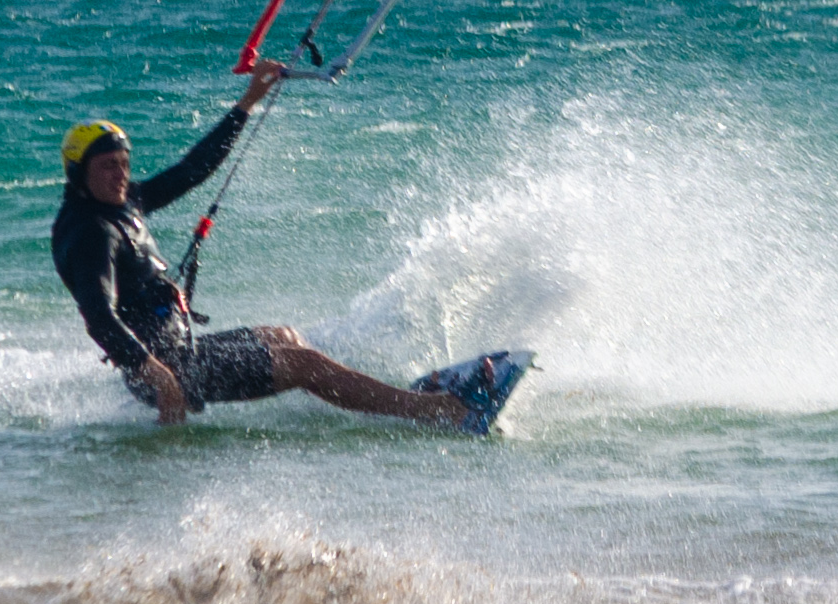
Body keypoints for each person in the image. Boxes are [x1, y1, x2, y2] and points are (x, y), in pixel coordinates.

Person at [53, 70, 530, 432]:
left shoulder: (120, 203)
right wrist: (156, 374)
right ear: (79, 173)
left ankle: (388, 401)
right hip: (168, 368)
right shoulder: (91, 232)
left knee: (287, 336)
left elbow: (192, 169)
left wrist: (247, 104)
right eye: (108, 167)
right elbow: (99, 317)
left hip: (181, 351)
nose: (120, 174)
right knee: (303, 365)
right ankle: (437, 413)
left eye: (124, 164)